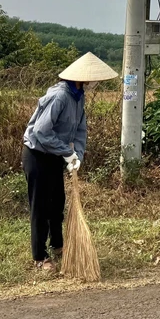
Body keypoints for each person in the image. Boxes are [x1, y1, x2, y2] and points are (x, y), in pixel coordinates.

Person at [22, 52, 118, 271]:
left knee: (57, 203)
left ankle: (58, 245)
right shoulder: (60, 96)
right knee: (41, 206)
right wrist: (66, 151)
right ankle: (40, 257)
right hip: (37, 155)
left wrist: (78, 155)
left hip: (55, 155)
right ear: (82, 78)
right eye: (93, 79)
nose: (94, 83)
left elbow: (80, 130)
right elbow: (41, 131)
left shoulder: (78, 96)